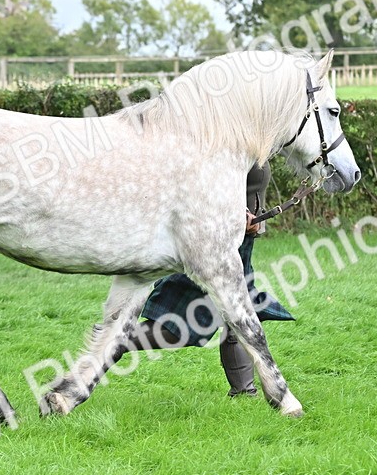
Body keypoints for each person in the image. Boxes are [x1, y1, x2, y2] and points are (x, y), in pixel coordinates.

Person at [124, 163, 294, 396]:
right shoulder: (219, 140)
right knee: (178, 325)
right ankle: (113, 344)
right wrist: (239, 213)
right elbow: (203, 175)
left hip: (237, 238)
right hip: (211, 239)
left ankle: (244, 391)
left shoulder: (255, 143)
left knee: (238, 314)